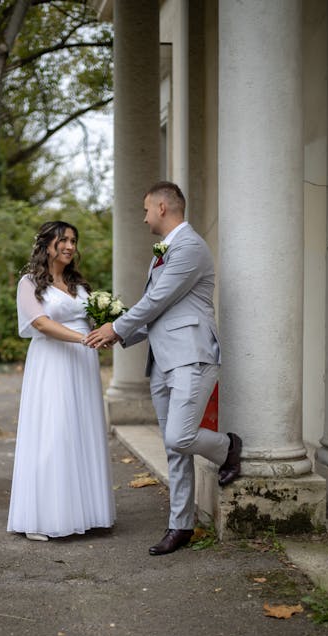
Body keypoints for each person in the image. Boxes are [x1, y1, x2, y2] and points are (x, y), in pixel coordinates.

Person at [86, 182, 242, 556]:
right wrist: (120, 337)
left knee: (179, 437)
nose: (142, 218)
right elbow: (160, 312)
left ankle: (227, 447)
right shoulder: (163, 253)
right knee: (174, 450)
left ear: (161, 207)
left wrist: (116, 326)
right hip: (162, 362)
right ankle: (180, 525)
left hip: (192, 355)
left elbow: (155, 300)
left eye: (145, 209)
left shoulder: (188, 247)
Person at [7, 220, 115, 541]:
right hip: (52, 363)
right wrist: (82, 339)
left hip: (83, 365)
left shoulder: (80, 284)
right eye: (63, 240)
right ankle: (44, 516)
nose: (70, 246)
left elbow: (93, 321)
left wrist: (104, 334)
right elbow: (40, 323)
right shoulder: (29, 283)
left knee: (83, 431)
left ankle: (88, 512)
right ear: (47, 245)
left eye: (73, 241)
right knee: (54, 431)